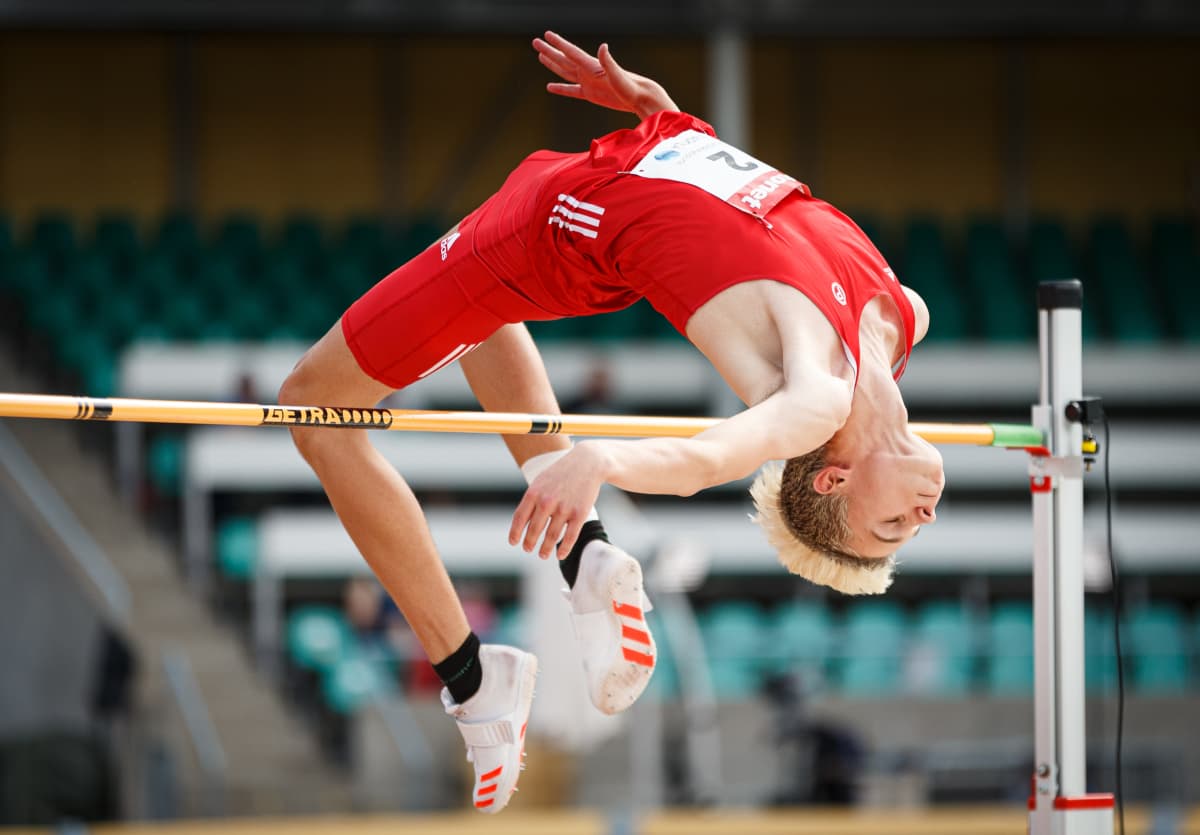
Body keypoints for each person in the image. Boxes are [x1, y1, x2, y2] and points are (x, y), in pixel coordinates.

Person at [278, 31, 944, 813]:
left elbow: (710, 458)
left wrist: (601, 461)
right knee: (479, 321)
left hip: (558, 230)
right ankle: (584, 560)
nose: (924, 514)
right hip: (625, 167)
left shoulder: (816, 398)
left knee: (313, 409)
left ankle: (470, 676)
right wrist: (657, 112)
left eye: (894, 525)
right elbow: (747, 207)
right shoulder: (905, 316)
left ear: (834, 477)